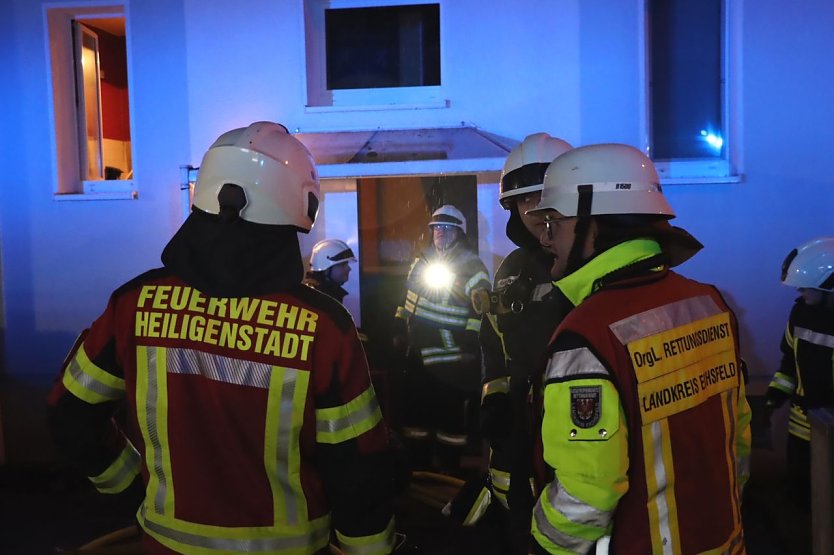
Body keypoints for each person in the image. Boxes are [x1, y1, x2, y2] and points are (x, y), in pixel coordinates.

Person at [47, 122, 395, 555]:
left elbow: (69, 414)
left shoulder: (133, 304)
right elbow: (359, 468)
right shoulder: (324, 328)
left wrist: (132, 488)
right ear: (298, 206)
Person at [528, 143, 751, 554]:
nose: (546, 238)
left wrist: (544, 546)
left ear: (593, 226)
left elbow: (586, 494)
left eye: (553, 222)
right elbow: (737, 440)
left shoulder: (587, 337)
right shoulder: (709, 304)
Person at [476, 133, 572, 552]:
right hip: (518, 428)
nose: (535, 209)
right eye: (524, 199)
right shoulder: (511, 269)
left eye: (545, 196)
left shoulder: (587, 262)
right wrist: (494, 397)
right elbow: (493, 341)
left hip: (577, 427)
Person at [393, 204, 491, 473]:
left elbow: (480, 311)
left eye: (448, 228)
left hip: (451, 359)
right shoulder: (422, 262)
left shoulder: (472, 266)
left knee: (450, 421)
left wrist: (470, 342)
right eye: (436, 228)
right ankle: (419, 470)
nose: (441, 233)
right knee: (416, 416)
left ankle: (450, 473)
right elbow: (407, 298)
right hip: (418, 355)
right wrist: (399, 325)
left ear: (459, 233)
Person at [765, 237, 834, 511]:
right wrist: (773, 398)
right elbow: (789, 364)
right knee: (802, 500)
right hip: (801, 430)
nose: (800, 291)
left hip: (830, 431)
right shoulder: (800, 313)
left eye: (805, 286)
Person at [304, 238, 357, 305]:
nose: (348, 268)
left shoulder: (326, 295)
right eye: (342, 264)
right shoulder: (313, 299)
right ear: (326, 270)